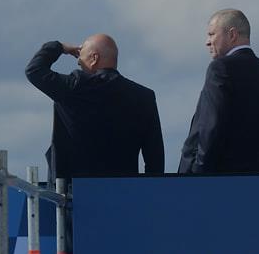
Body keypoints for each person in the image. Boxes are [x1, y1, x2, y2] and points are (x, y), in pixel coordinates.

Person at [26, 33, 163, 182]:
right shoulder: (144, 96)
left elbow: (34, 70)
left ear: (94, 58)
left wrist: (59, 47)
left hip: (75, 190)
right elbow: (155, 156)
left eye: (80, 61)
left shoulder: (74, 87)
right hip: (124, 189)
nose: (79, 64)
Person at [178, 9, 259, 174]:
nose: (207, 42)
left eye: (212, 34)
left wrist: (198, 175)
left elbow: (211, 127)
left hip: (217, 180)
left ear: (232, 35)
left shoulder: (220, 69)